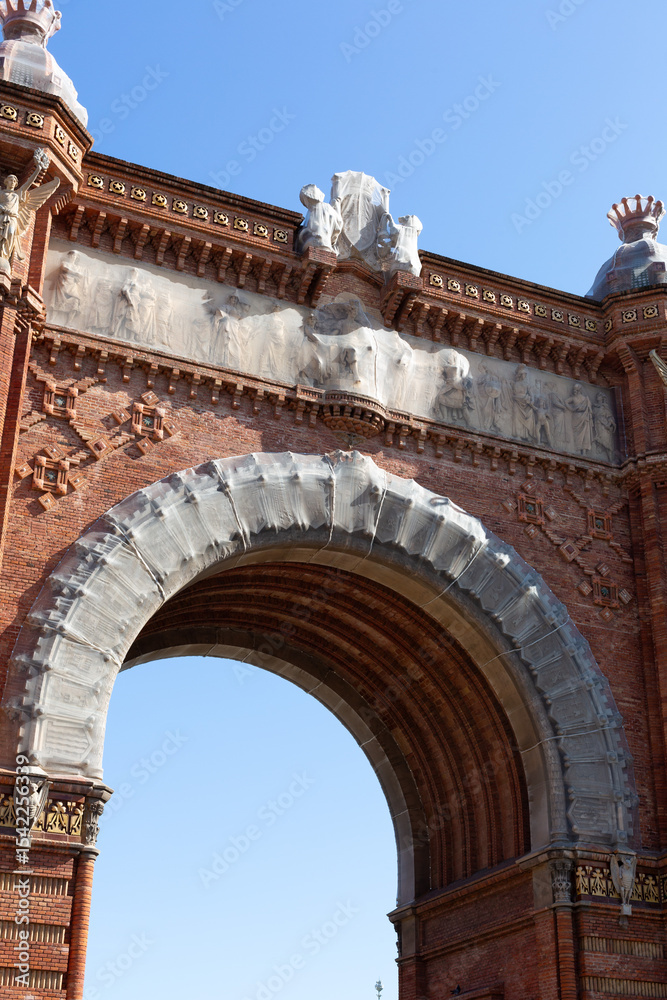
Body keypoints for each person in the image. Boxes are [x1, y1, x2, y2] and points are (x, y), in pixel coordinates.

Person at [566, 383, 594, 454]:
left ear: (579, 390)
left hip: (584, 417)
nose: (574, 391)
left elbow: (590, 410)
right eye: (574, 390)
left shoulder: (586, 399)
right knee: (576, 434)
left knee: (585, 434)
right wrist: (572, 409)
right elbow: (565, 402)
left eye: (576, 390)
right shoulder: (573, 398)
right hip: (576, 417)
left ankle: (584, 451)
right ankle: (577, 450)